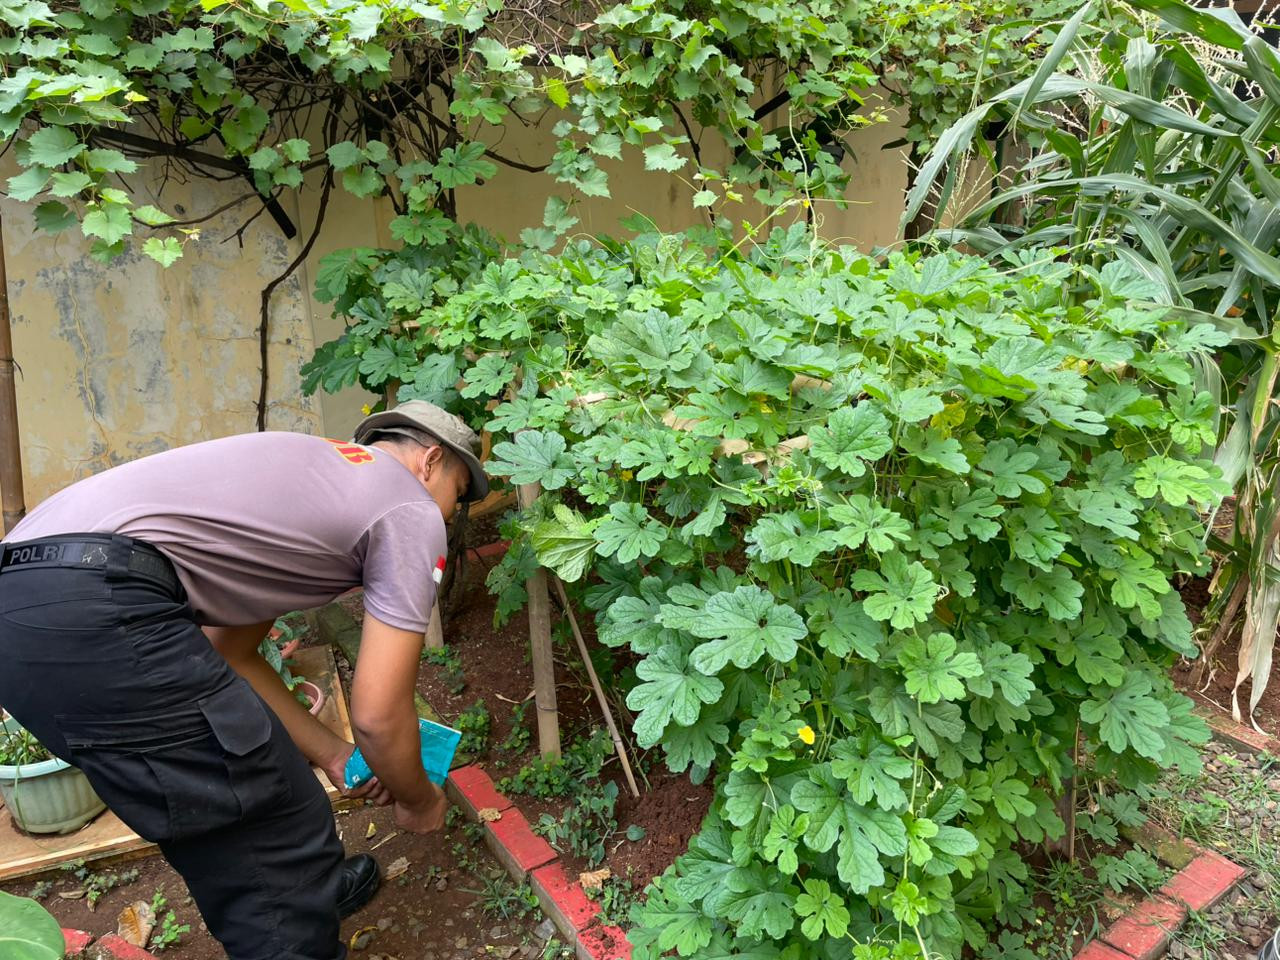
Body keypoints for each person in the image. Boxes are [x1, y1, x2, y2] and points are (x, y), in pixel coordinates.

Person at [0, 400, 488, 960]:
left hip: (21, 602)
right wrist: (419, 800)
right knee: (266, 822)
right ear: (429, 461)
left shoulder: (311, 479)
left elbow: (231, 653)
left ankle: (298, 899)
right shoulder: (407, 505)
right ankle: (287, 912)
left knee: (219, 807)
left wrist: (334, 755)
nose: (448, 515)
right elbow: (378, 715)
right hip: (97, 600)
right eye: (456, 494)